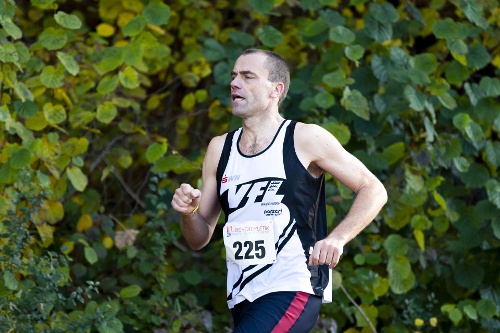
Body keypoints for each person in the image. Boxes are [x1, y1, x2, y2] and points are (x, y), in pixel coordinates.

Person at [171, 49, 388, 333]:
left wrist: (338, 238)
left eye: (248, 76)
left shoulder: (305, 138)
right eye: (234, 76)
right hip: (242, 294)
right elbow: (198, 239)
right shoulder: (219, 148)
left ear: (277, 89)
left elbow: (374, 189)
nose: (235, 83)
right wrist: (190, 213)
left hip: (293, 284)